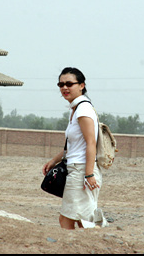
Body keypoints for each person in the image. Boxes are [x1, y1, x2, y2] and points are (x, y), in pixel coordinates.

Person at [42, 67, 108, 229]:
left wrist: (89, 174)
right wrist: (53, 160)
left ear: (81, 85)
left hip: (81, 171)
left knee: (69, 220)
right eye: (61, 84)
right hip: (77, 169)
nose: (64, 88)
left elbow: (90, 143)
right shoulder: (76, 109)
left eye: (69, 84)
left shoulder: (83, 110)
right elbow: (73, 146)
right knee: (80, 219)